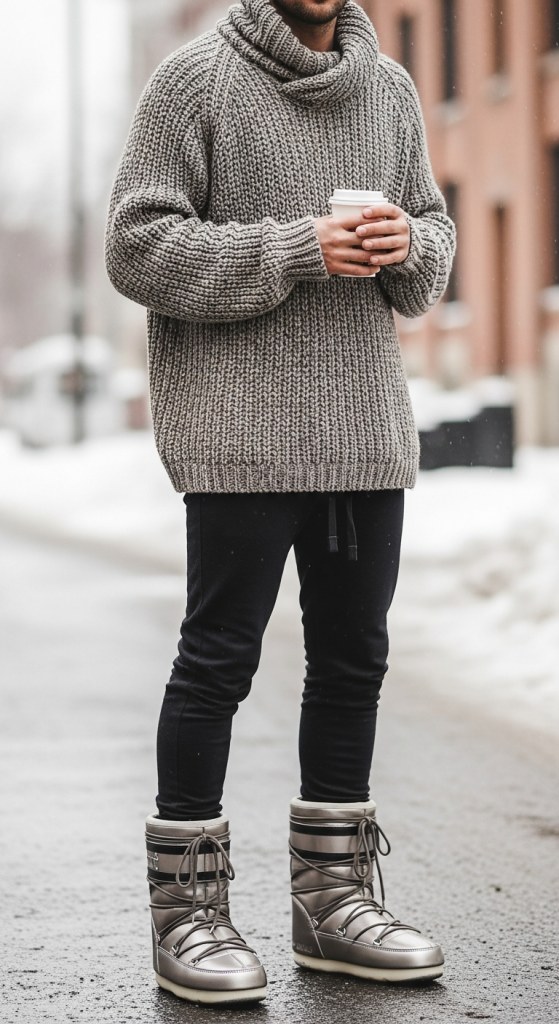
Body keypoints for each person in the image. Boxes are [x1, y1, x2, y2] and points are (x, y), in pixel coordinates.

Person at [106, 0, 455, 1006]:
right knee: (218, 659)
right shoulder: (193, 81)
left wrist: (408, 242)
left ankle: (332, 903)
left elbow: (431, 245)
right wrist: (296, 248)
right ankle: (188, 913)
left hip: (363, 427)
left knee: (354, 659)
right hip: (239, 431)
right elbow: (137, 247)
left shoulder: (386, 90)